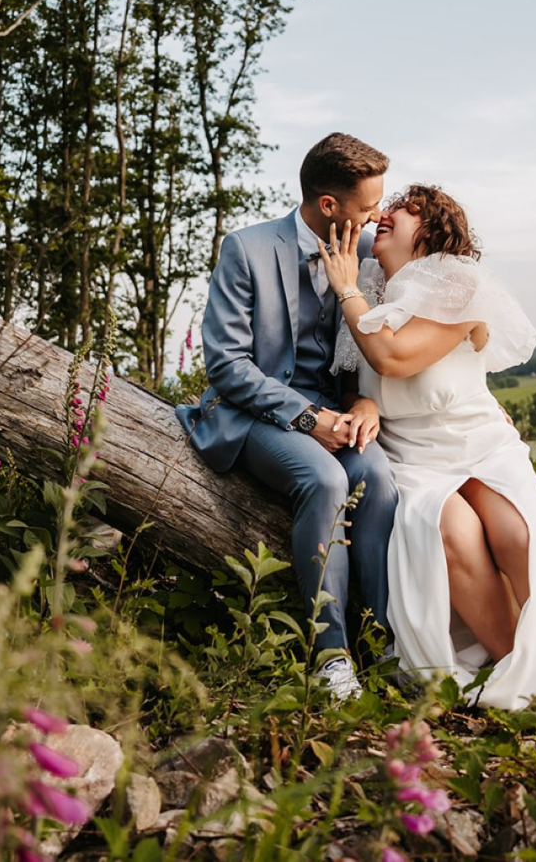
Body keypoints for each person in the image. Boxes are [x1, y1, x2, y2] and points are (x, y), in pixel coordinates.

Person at [317, 184, 536, 741]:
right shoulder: (371, 292)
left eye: (404, 208)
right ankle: (519, 671)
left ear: (435, 228)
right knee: (454, 535)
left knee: (517, 538)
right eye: (387, 206)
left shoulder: (455, 281)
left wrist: (346, 289)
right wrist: (363, 401)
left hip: (478, 441)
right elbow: (364, 380)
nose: (386, 214)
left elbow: (395, 357)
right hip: (413, 456)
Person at [176, 133, 400, 702]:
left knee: (376, 479)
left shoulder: (370, 250)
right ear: (329, 205)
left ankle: (381, 642)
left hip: (337, 412)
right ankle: (331, 657)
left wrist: (365, 400)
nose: (377, 216)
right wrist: (308, 419)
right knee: (325, 479)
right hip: (255, 412)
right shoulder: (247, 249)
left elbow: (374, 344)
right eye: (369, 206)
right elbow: (227, 364)